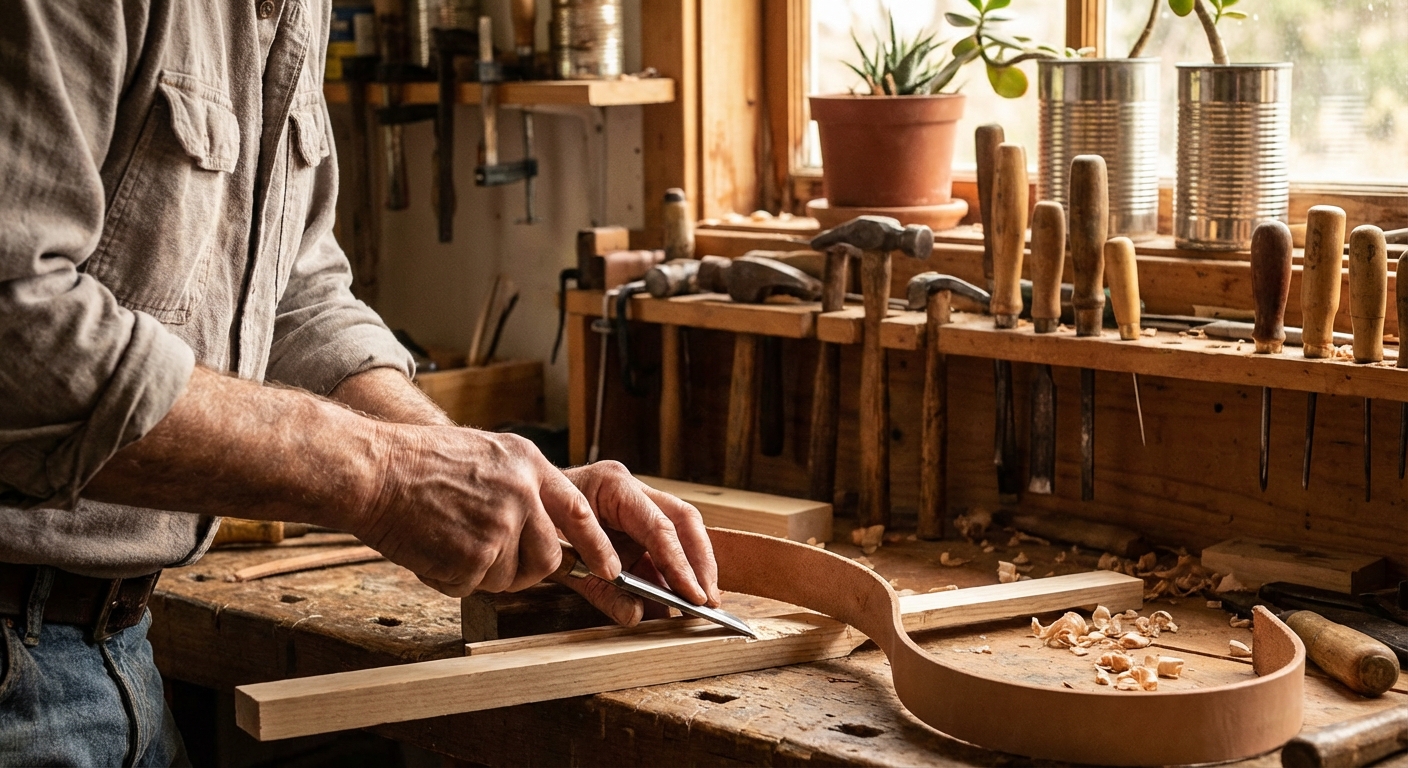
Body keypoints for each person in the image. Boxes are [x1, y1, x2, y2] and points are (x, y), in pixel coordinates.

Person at [0, 2, 718, 765]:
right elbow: (19, 334)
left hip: (118, 646)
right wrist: (385, 478)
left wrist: (500, 486)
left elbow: (294, 298)